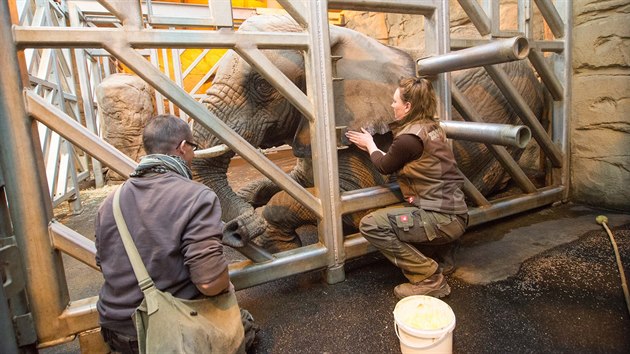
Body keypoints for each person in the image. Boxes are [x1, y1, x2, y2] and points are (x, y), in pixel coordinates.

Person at [95, 114, 257, 353]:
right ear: (182, 148)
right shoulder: (197, 196)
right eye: (193, 148)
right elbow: (209, 283)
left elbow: (102, 261)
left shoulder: (110, 202)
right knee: (245, 325)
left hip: (117, 331)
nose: (192, 155)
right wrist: (226, 287)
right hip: (168, 333)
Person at [345, 77, 468, 299]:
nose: (392, 105)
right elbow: (394, 159)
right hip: (455, 212)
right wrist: (372, 148)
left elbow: (384, 165)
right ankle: (443, 254)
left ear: (408, 106)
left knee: (372, 225)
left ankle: (429, 279)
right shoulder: (432, 128)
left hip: (442, 219)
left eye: (395, 101)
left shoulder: (408, 139)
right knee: (404, 208)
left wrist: (370, 144)